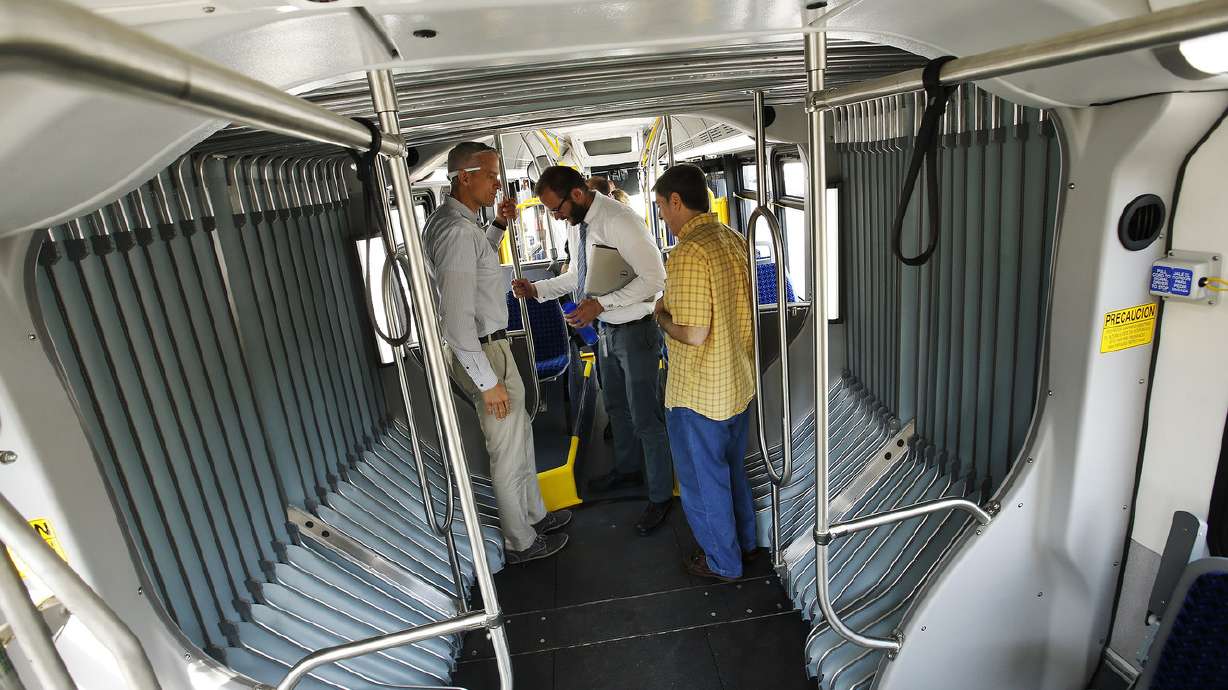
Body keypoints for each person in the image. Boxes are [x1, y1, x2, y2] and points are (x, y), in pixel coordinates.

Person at [422, 142, 571, 564]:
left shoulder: (461, 224)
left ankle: (534, 516)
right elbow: (455, 321)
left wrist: (500, 225)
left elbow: (480, 261)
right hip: (484, 352)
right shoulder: (454, 232)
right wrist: (488, 384)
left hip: (495, 347)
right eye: (491, 176)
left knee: (520, 438)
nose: (497, 185)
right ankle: (519, 541)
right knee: (506, 449)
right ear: (464, 177)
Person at [512, 166, 674, 536]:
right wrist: (539, 290)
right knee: (616, 407)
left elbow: (655, 278)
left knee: (645, 416)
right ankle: (628, 469)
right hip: (607, 331)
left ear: (577, 194)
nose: (556, 216)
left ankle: (660, 494)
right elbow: (579, 276)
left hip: (636, 331)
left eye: (557, 209)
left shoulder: (620, 221)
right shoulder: (578, 224)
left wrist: (601, 304)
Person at [651, 164, 758, 582]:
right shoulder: (732, 238)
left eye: (662, 207)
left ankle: (722, 563)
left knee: (702, 482)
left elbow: (693, 334)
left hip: (699, 393)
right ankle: (744, 543)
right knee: (731, 470)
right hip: (737, 383)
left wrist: (661, 315)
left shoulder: (688, 253)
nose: (662, 215)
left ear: (677, 202)